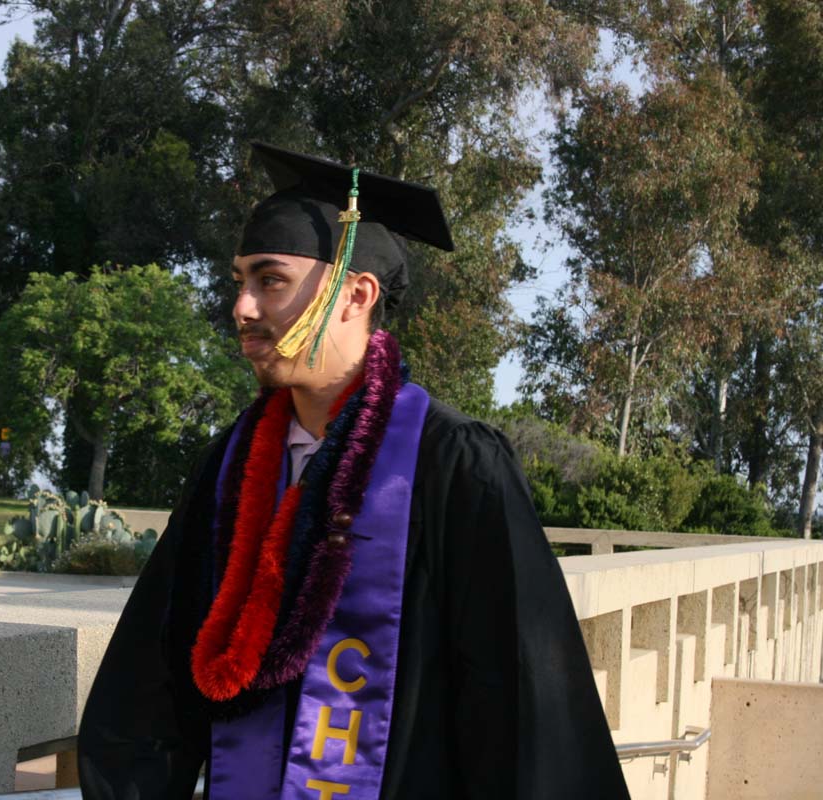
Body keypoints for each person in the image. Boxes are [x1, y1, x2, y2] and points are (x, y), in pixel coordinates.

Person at [77, 142, 630, 799]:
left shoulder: (453, 463)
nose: (242, 308)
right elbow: (154, 677)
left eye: (270, 279)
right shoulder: (230, 464)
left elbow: (522, 704)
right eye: (240, 281)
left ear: (355, 293)